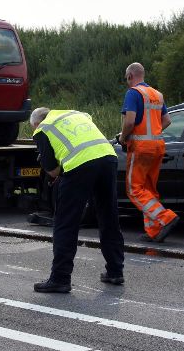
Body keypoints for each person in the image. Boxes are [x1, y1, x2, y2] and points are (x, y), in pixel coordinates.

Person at [31, 107, 125, 293]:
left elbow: (52, 171)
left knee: (66, 222)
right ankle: (115, 271)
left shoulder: (42, 129)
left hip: (80, 164)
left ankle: (60, 278)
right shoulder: (75, 114)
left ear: (36, 123)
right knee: (108, 216)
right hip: (108, 158)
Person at [118, 62, 180, 242]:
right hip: (158, 146)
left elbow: (129, 122)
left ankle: (165, 217)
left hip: (140, 148)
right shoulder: (157, 95)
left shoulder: (133, 93)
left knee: (134, 189)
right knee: (148, 188)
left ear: (130, 76)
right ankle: (154, 230)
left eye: (126, 79)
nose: (127, 82)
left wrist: (123, 137)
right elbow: (166, 121)